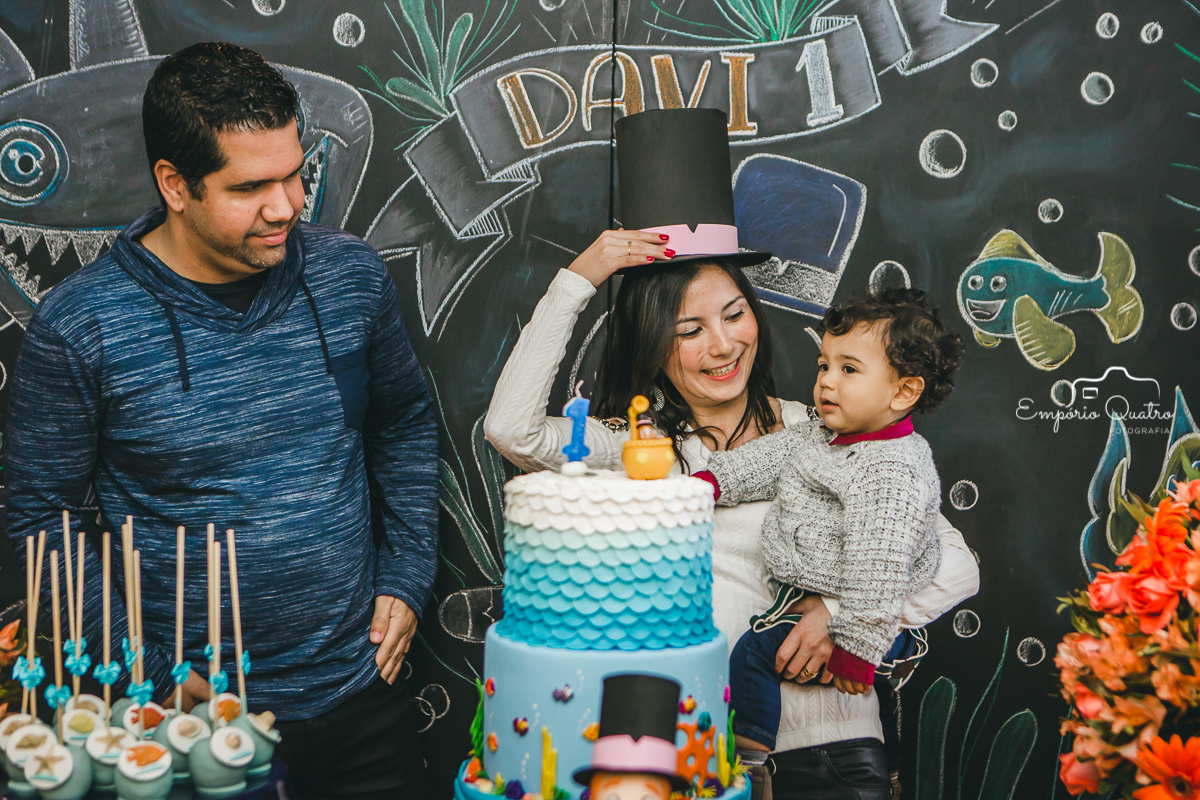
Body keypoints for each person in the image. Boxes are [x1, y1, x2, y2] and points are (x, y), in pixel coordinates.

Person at [4, 42, 437, 798]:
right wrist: (156, 676)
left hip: (359, 696)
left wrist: (406, 569)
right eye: (251, 187)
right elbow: (42, 520)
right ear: (175, 183)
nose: (288, 206)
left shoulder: (350, 278)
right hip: (185, 727)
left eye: (295, 174)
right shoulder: (81, 327)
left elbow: (402, 424)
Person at [484, 230, 979, 800]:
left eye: (735, 315)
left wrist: (835, 615)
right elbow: (509, 429)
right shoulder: (639, 451)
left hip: (829, 748)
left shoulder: (830, 436)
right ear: (654, 346)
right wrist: (581, 279)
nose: (722, 346)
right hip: (688, 759)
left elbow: (957, 565)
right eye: (690, 331)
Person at [693, 288, 964, 766]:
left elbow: (878, 569)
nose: (826, 383)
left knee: (753, 656)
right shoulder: (825, 434)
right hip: (824, 596)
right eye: (824, 365)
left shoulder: (891, 470)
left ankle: (749, 762)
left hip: (865, 618)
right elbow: (770, 457)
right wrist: (714, 481)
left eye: (849, 370)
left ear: (904, 390)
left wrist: (856, 647)